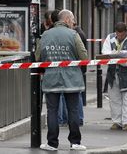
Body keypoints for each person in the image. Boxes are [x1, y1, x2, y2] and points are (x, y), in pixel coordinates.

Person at [36, 9, 88, 151]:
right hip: (72, 79)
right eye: (72, 20)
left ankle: (52, 143)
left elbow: (37, 57)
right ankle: (75, 142)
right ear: (66, 20)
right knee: (73, 110)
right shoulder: (73, 34)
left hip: (51, 79)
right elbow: (84, 57)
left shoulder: (45, 35)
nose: (74, 23)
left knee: (52, 111)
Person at [102, 22, 127, 131]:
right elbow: (104, 52)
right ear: (116, 32)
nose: (119, 37)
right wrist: (115, 56)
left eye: (122, 35)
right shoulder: (110, 38)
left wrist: (119, 61)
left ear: (125, 32)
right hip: (113, 75)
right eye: (118, 35)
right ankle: (117, 122)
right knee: (114, 99)